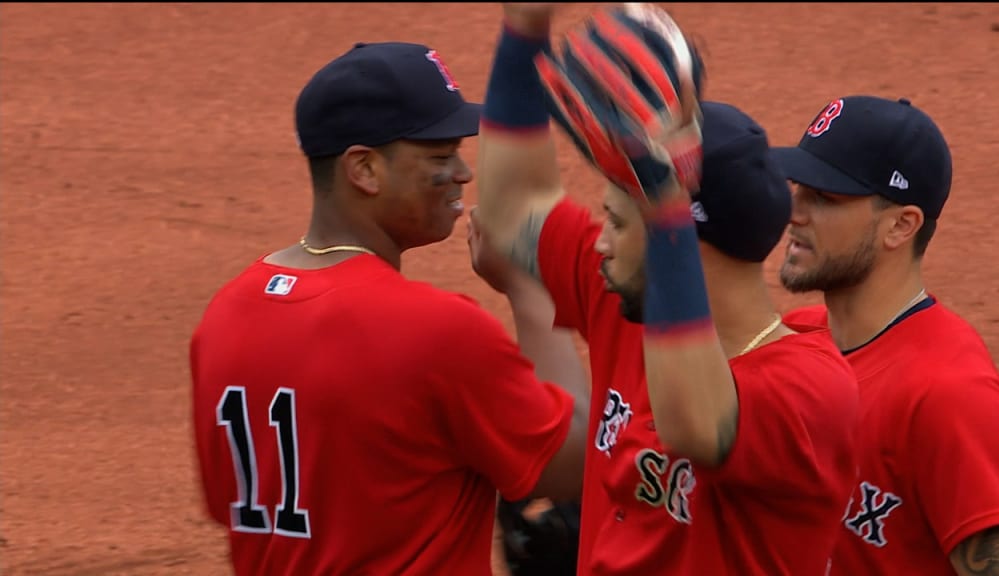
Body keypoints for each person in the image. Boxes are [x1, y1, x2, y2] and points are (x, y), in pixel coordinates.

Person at [471, 4, 860, 574]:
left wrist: (664, 209)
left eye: (620, 222)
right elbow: (511, 216)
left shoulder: (808, 387)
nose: (600, 243)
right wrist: (523, 31)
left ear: (679, 238)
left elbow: (693, 425)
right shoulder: (627, 305)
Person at [189, 40, 590, 576]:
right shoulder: (436, 329)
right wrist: (530, 286)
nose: (463, 174)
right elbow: (577, 460)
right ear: (365, 170)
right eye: (440, 156)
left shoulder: (225, 315)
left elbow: (234, 507)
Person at [774, 94, 999, 575]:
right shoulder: (797, 341)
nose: (794, 212)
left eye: (824, 198)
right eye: (797, 187)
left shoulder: (951, 397)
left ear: (900, 226)